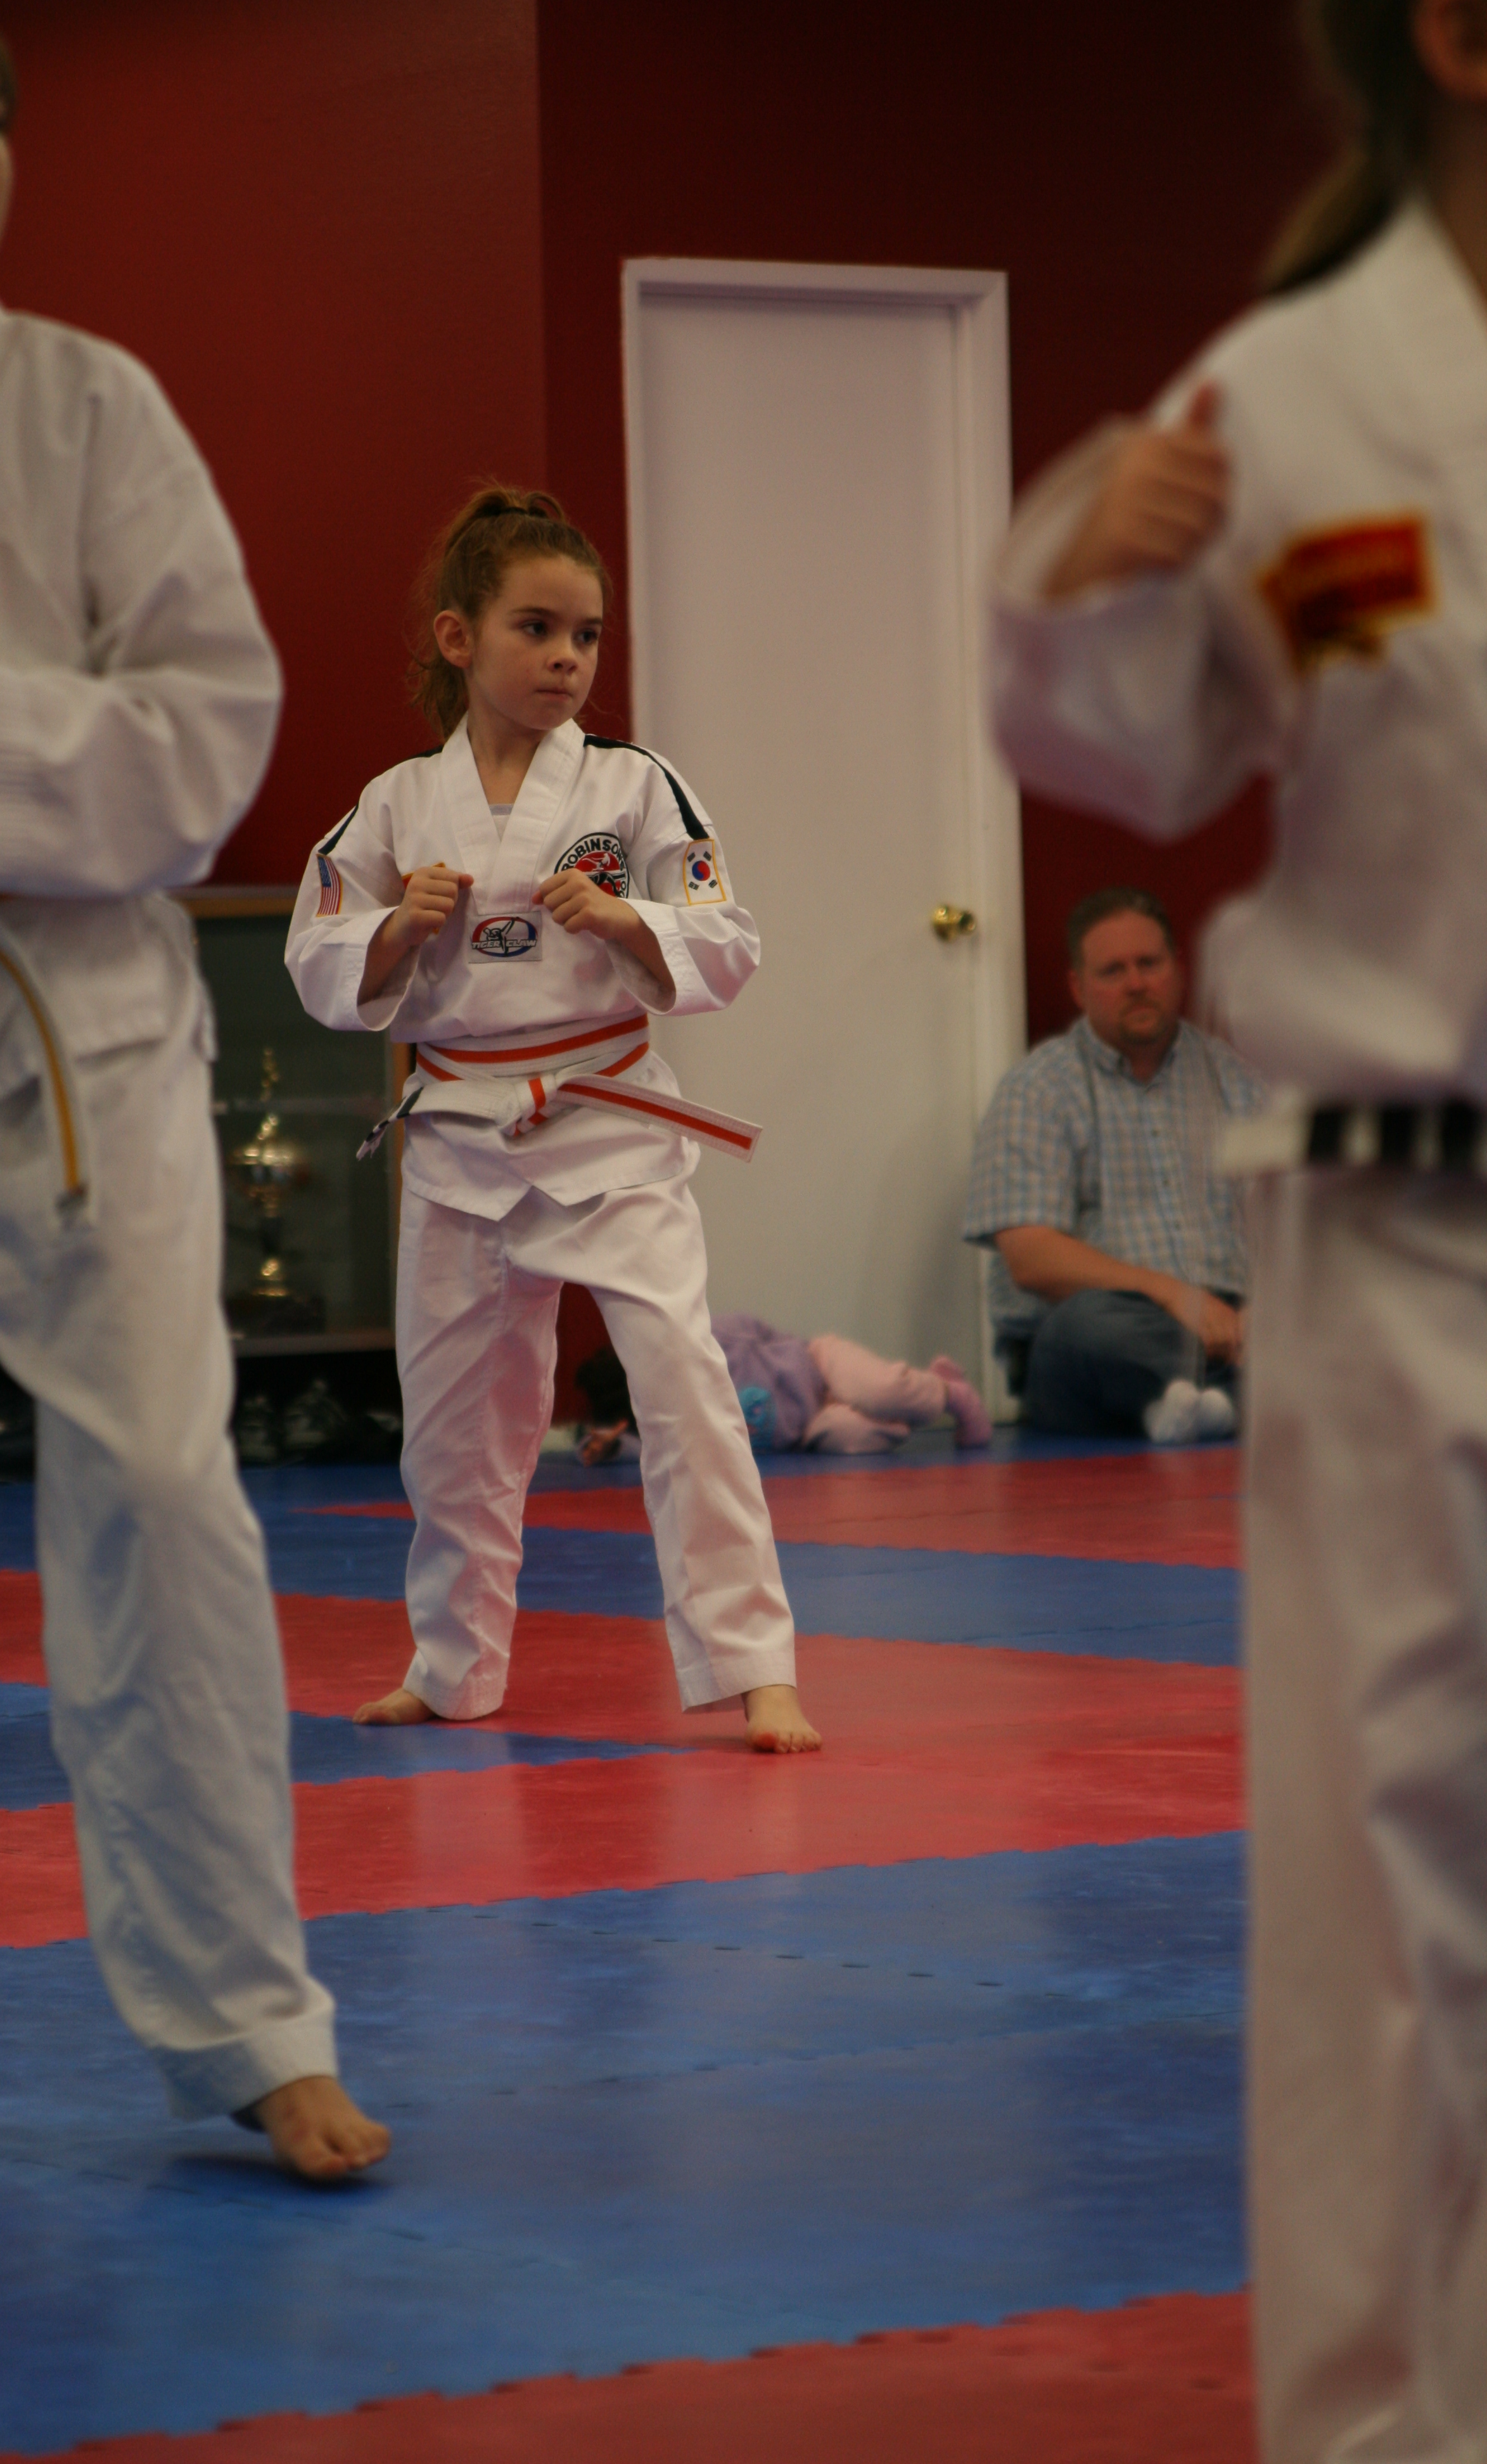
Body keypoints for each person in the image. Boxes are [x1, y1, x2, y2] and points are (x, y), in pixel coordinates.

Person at [990, 0, 1487, 2450]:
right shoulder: (1286, 397)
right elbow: (1122, 738)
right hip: (1404, 1223)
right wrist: (1072, 580)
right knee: (1387, 1895)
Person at [0, 0, 386, 2181]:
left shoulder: (88, 404)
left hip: (69, 1012)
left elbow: (212, 726)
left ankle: (248, 2017)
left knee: (165, 1493)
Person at [286, 487, 819, 1754]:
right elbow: (318, 951)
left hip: (607, 1120)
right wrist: (396, 929)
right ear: (458, 636)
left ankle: (756, 1665)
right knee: (455, 1425)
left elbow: (728, 938)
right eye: (536, 628)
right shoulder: (395, 802)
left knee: (684, 1387)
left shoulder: (636, 785)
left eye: (586, 635)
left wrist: (628, 917)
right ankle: (452, 1664)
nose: (567, 658)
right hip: (459, 1133)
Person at [963, 886, 1265, 1442]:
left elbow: (1291, 1224)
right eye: (1113, 971)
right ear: (1079, 988)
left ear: (1177, 969)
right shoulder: (1037, 1090)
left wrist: (1264, 1311)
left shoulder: (1238, 1082)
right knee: (1083, 1327)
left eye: (1149, 964)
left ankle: (1210, 1404)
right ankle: (1242, 1401)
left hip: (1237, 1327)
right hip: (1105, 1337)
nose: (1136, 983)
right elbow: (1031, 1258)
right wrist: (1173, 1295)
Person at [573, 1319, 992, 1463]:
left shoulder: (709, 1343)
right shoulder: (673, 1427)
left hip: (819, 1365)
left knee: (879, 1389)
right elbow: (646, 1451)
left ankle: (953, 1394)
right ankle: (919, 1397)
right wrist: (607, 1446)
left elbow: (757, 1330)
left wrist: (792, 1354)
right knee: (849, 1437)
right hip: (812, 1427)